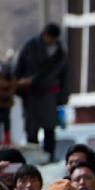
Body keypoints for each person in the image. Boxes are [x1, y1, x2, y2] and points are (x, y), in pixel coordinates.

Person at [15, 24, 68, 160]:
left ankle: (49, 156)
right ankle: (33, 158)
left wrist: (62, 99)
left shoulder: (59, 53)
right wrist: (19, 83)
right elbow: (19, 66)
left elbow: (64, 77)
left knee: (49, 128)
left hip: (50, 95)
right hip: (31, 95)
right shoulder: (30, 46)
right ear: (45, 35)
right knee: (31, 129)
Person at [0, 56, 15, 146]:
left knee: (6, 122)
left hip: (6, 104)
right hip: (5, 103)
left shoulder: (11, 77)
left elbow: (12, 88)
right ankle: (5, 140)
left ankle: (6, 140)